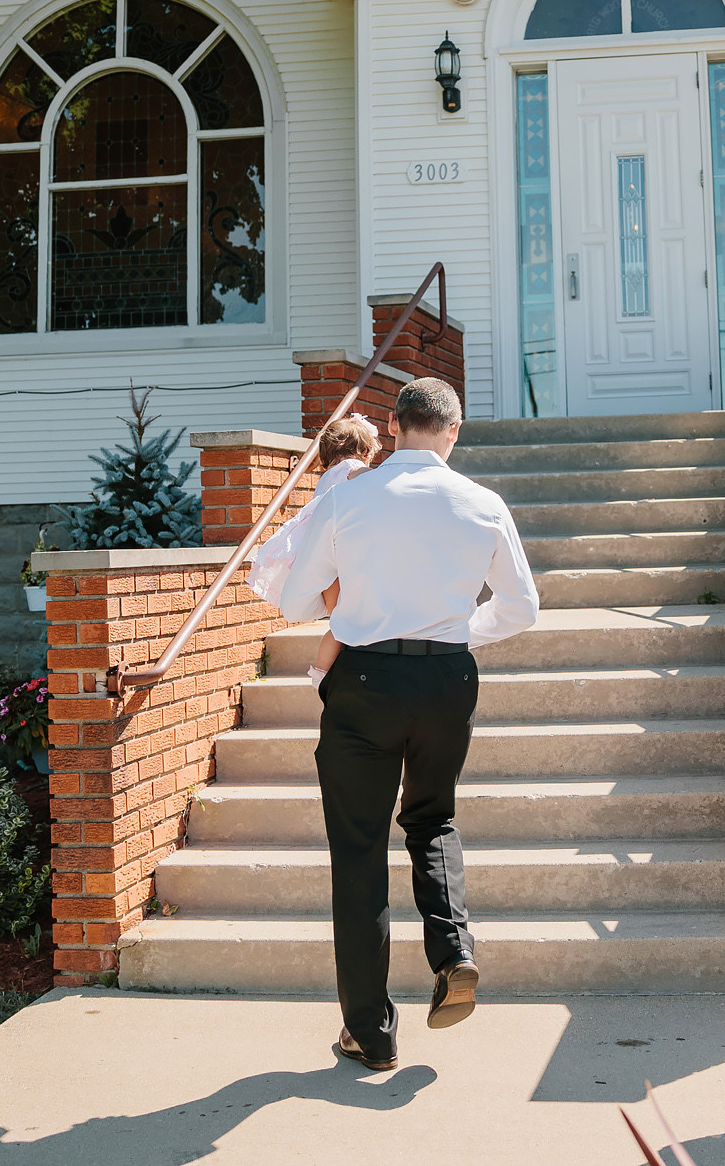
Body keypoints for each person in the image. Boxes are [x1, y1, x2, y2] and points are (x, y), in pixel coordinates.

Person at [277, 377, 540, 1072]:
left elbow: (298, 595)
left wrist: (359, 605)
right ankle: (453, 950)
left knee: (359, 850)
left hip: (364, 681)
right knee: (432, 817)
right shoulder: (483, 503)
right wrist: (457, 634)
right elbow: (522, 607)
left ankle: (371, 1030)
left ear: (393, 426)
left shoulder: (349, 497)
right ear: (453, 432)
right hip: (447, 679)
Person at [247, 415, 383, 689]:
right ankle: (333, 667)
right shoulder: (351, 468)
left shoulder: (326, 476)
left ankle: (321, 672)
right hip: (337, 551)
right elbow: (370, 479)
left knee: (339, 621)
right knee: (345, 621)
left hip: (320, 555)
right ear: (364, 452)